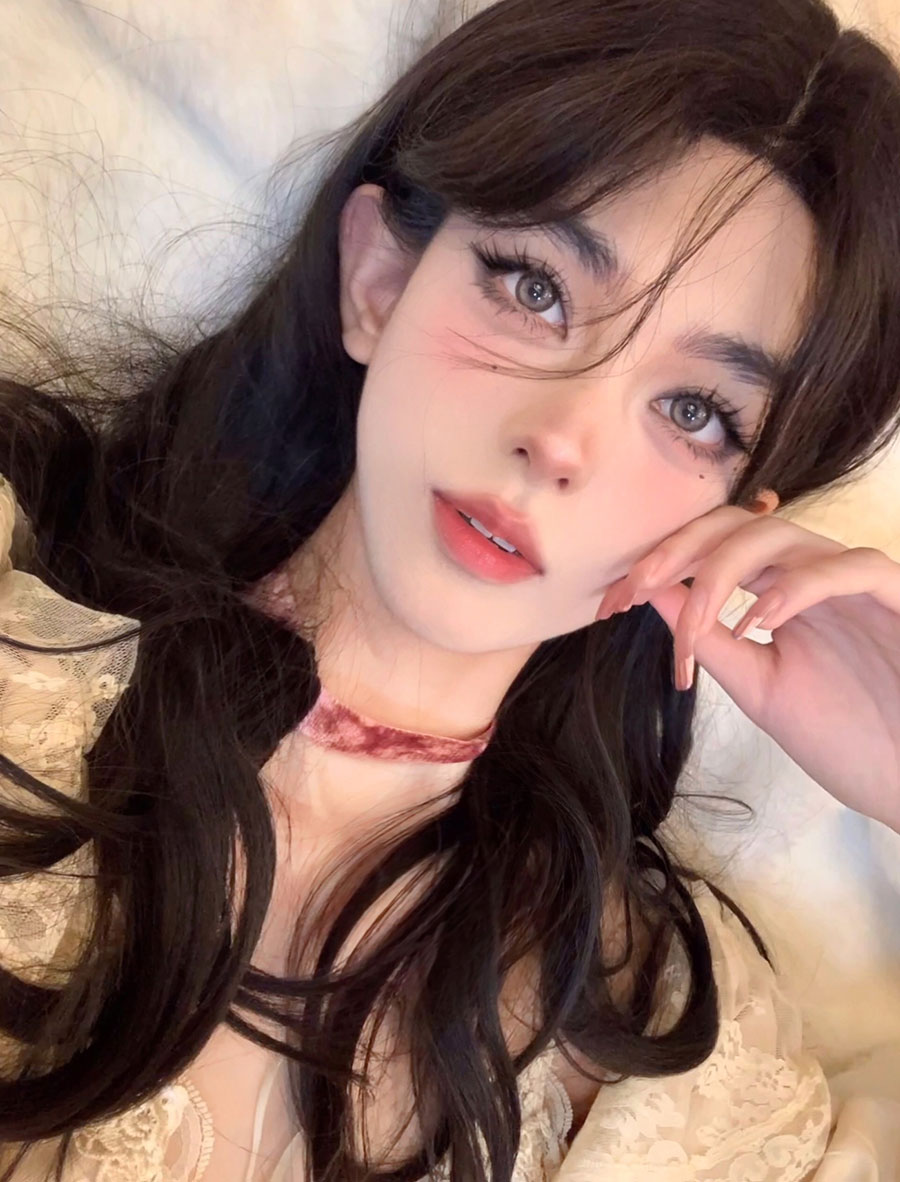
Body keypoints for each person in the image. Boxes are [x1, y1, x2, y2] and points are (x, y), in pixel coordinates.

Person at [1, 0, 900, 1175]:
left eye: (695, 410)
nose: (562, 440)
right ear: (380, 279)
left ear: (737, 518)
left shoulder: (652, 1034)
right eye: (534, 288)